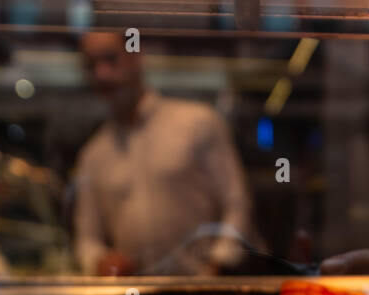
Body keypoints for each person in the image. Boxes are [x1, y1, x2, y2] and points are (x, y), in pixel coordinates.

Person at [73, 32, 252, 276]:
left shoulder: (197, 122)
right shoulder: (93, 154)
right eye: (91, 65)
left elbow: (236, 202)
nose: (101, 74)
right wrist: (100, 259)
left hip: (203, 290)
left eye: (110, 59)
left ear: (136, 54)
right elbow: (87, 238)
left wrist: (217, 265)